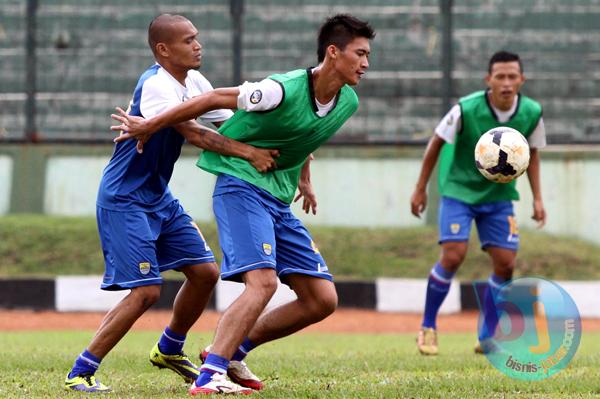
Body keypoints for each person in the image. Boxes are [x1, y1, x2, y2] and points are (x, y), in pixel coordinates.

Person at [111, 14, 375, 395]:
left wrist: (303, 177)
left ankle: (233, 352)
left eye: (368, 55)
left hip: (278, 200)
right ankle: (210, 374)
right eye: (360, 54)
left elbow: (302, 138)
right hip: (242, 189)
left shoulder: (346, 102)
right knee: (263, 283)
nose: (366, 63)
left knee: (321, 299)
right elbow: (214, 98)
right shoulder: (279, 89)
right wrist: (150, 125)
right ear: (333, 53)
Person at [64, 14, 278, 393]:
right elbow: (194, 132)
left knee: (205, 273)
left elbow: (229, 121)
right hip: (124, 199)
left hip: (158, 197)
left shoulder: (194, 81)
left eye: (197, 38)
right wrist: (249, 153)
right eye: (188, 40)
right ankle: (81, 371)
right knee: (146, 291)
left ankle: (169, 349)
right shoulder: (156, 86)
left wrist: (283, 133)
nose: (198, 46)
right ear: (163, 49)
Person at [410, 50, 547, 356]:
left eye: (513, 76)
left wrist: (538, 197)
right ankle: (428, 327)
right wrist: (420, 189)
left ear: (522, 80)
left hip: (499, 198)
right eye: (500, 76)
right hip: (460, 192)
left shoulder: (532, 112)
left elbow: (532, 154)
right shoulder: (466, 109)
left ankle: (487, 334)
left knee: (506, 263)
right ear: (489, 80)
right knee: (453, 255)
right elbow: (435, 143)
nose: (507, 83)